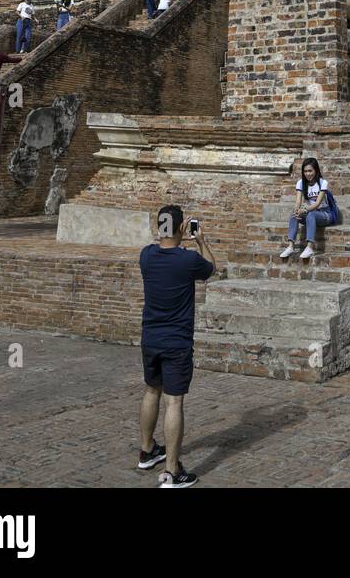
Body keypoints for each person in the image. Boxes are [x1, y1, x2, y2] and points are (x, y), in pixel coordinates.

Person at [138, 204, 216, 489]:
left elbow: (162, 244)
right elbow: (211, 268)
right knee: (174, 401)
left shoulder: (146, 256)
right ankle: (171, 470)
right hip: (176, 342)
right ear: (182, 227)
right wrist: (201, 241)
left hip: (150, 338)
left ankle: (147, 450)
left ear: (160, 226)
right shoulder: (187, 261)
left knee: (151, 390)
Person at [280, 158, 332, 262]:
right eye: (305, 171)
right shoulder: (300, 183)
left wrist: (305, 210)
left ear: (316, 170)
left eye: (310, 171)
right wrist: (297, 210)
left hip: (325, 214)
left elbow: (317, 204)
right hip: (310, 213)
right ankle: (290, 246)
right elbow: (298, 202)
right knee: (294, 214)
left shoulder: (323, 183)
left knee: (311, 214)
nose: (308, 174)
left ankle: (309, 247)